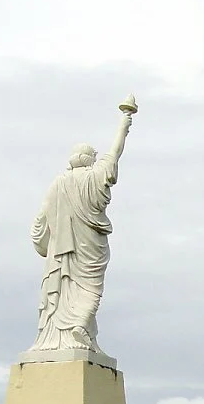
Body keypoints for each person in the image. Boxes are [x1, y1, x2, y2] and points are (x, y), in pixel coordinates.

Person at [28, 106, 133, 353]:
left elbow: (40, 222)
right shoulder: (95, 176)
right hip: (89, 249)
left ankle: (69, 333)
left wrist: (43, 242)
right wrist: (124, 124)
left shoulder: (58, 183)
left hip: (61, 251)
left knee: (65, 287)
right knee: (90, 288)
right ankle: (79, 325)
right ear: (89, 159)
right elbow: (114, 153)